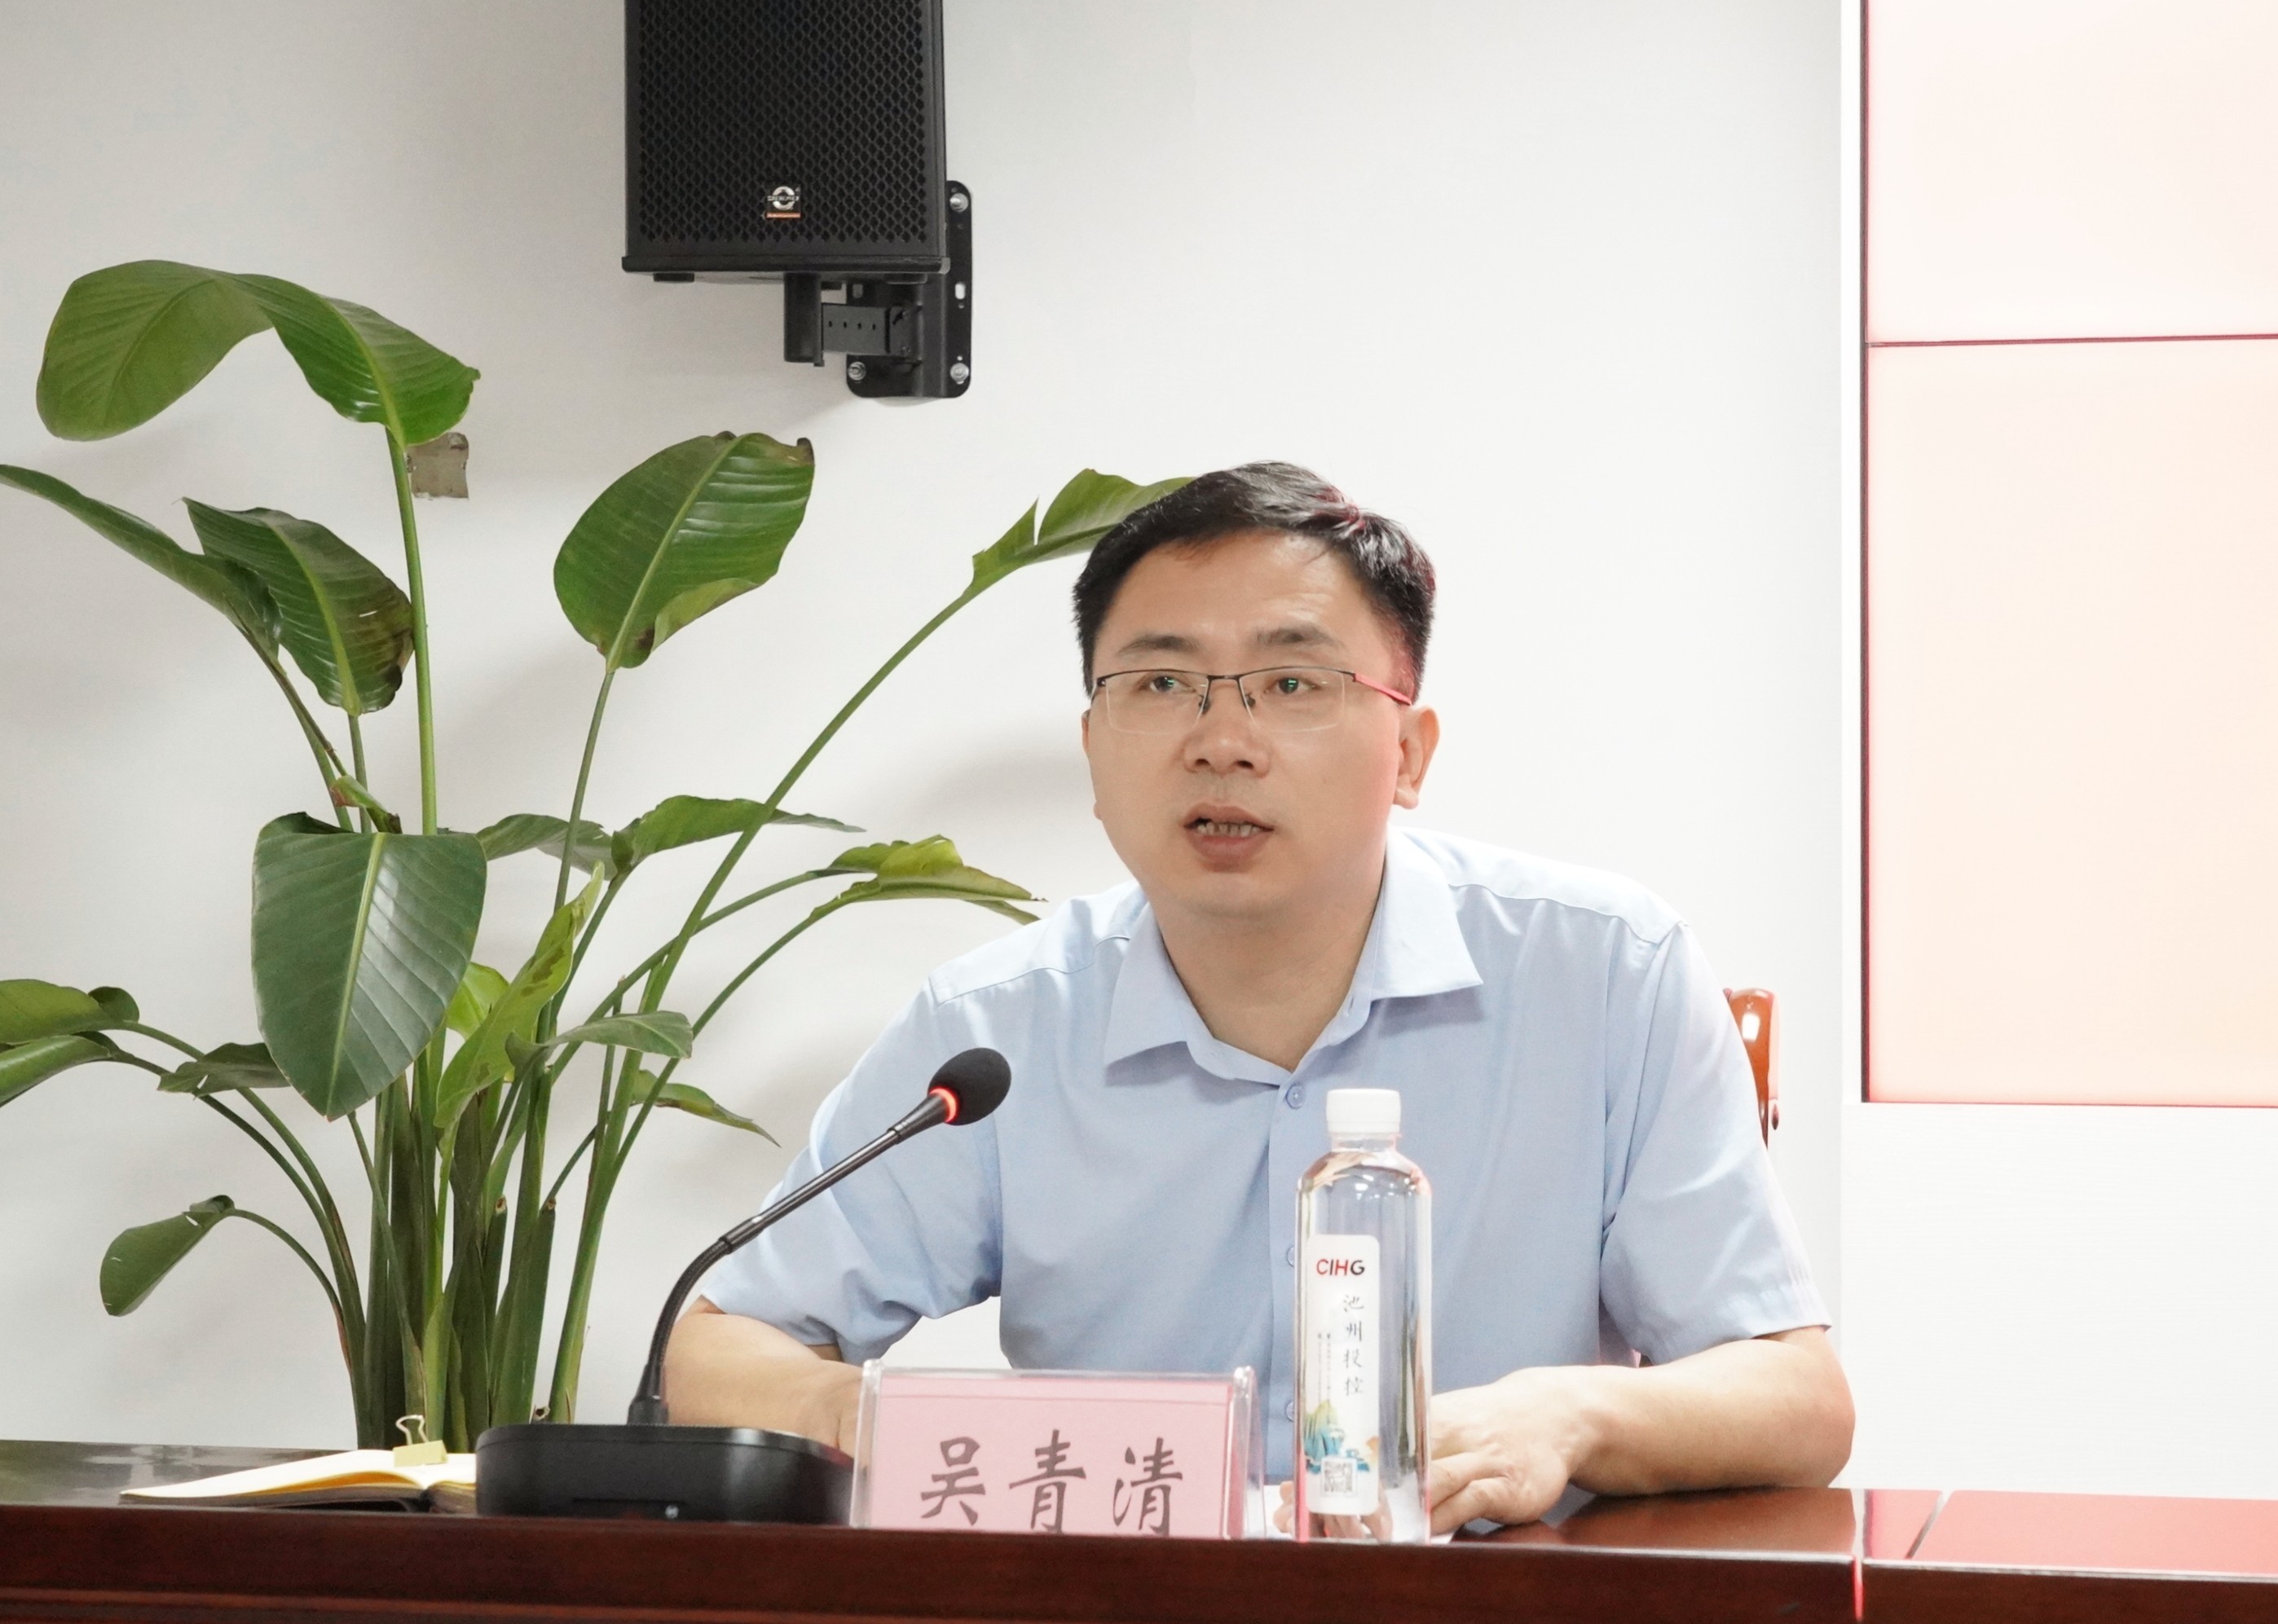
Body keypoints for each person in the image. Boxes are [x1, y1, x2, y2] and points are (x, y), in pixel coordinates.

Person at [669, 462, 1852, 1531]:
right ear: (1093, 749)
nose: (1221, 740)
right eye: (1161, 682)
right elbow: (719, 1347)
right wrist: (886, 1420)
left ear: (1410, 753)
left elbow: (1796, 1401)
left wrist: (1567, 1416)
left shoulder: (1604, 974)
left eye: (1291, 681)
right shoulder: (998, 1030)